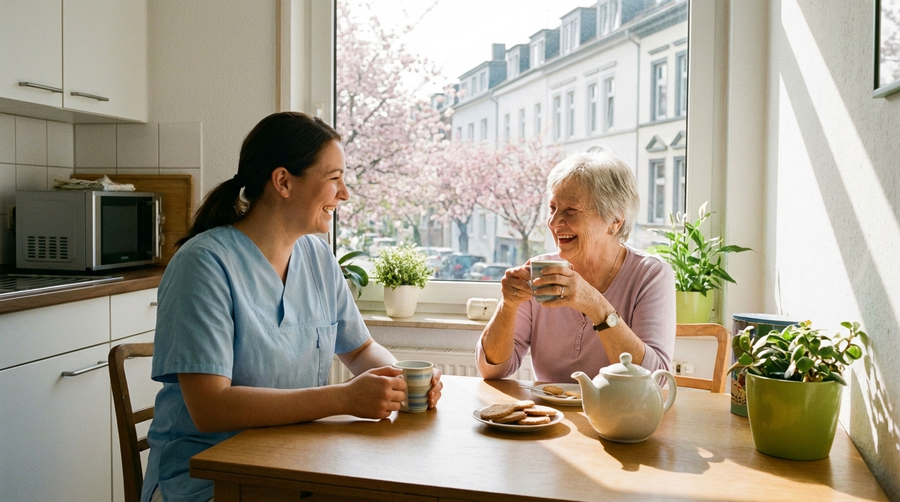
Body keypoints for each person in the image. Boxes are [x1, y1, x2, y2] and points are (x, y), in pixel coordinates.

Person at [142, 111, 442, 502]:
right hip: (208, 478)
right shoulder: (203, 264)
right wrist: (345, 397)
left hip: (291, 461)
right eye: (334, 179)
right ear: (283, 181)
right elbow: (211, 407)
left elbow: (360, 349)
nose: (345, 193)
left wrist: (401, 380)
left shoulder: (317, 256)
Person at [476, 150, 675, 383]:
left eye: (570, 211)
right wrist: (508, 306)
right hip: (550, 416)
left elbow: (656, 379)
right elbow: (492, 370)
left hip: (617, 418)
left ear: (614, 221)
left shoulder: (650, 274)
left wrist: (594, 304)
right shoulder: (541, 271)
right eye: (553, 208)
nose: (553, 222)